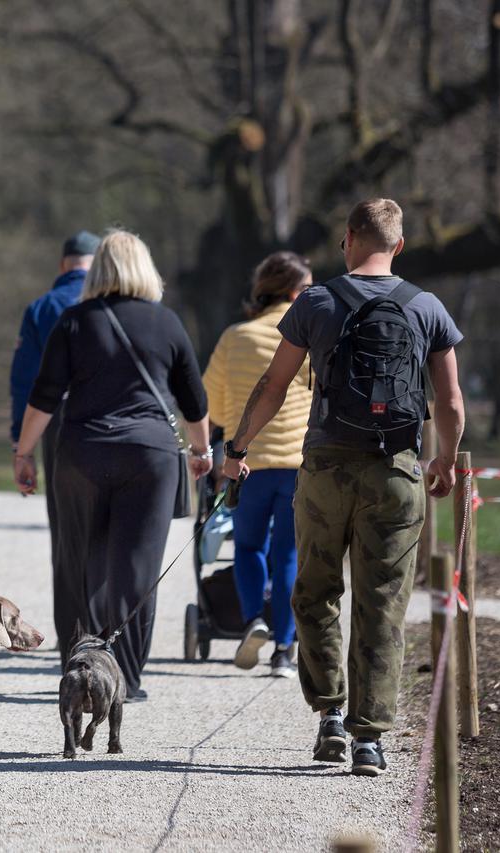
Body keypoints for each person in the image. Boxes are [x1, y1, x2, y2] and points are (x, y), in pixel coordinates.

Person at [221, 198, 464, 777]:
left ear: (348, 239)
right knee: (382, 603)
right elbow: (450, 401)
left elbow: (275, 385)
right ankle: (370, 739)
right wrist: (447, 462)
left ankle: (329, 715)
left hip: (326, 466)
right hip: (397, 469)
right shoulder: (427, 306)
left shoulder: (316, 301)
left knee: (315, 589)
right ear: (399, 246)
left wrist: (237, 450)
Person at [14, 229, 211, 702]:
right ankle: (125, 679)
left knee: (80, 564)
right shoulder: (167, 323)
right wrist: (202, 452)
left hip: (82, 452)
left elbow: (43, 395)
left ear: (98, 269)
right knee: (136, 571)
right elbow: (194, 399)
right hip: (151, 458)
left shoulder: (75, 321)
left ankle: (78, 669)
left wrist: (24, 452)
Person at [202, 251, 313, 678]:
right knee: (288, 553)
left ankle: (254, 620)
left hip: (245, 464)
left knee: (248, 547)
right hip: (299, 463)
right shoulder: (309, 335)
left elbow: (210, 401)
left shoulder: (236, 336)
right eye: (307, 287)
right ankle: (284, 651)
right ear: (291, 291)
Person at [9, 230, 98, 641]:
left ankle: (74, 632)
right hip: (117, 417)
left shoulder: (43, 308)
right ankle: (110, 632)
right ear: (95, 264)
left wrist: (20, 446)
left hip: (57, 420)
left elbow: (25, 379)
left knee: (67, 532)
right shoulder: (119, 302)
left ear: (64, 264)